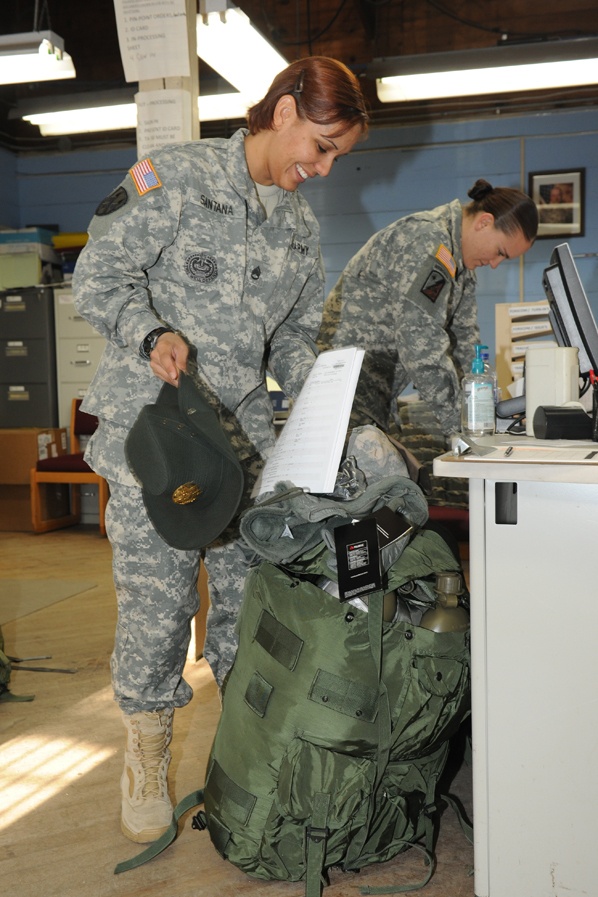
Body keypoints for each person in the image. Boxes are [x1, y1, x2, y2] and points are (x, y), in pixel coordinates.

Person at [71, 56, 369, 845]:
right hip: (156, 435)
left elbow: (298, 338)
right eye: (321, 143)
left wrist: (327, 399)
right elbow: (95, 271)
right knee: (160, 603)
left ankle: (244, 759)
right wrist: (150, 331)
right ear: (282, 112)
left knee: (246, 607)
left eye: (338, 154)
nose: (325, 166)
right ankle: (147, 751)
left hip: (238, 446)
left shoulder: (300, 228)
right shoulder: (173, 178)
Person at [318, 179, 538, 439]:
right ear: (484, 222)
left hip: (374, 395)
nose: (494, 264)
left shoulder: (460, 265)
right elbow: (420, 343)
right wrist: (461, 428)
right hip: (340, 393)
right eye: (500, 252)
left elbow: (465, 343)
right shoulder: (427, 241)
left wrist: (482, 414)